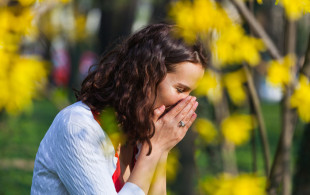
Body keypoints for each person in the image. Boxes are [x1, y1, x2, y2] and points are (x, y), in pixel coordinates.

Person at [31, 23, 207, 195]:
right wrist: (155, 149)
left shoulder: (140, 135)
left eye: (191, 92)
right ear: (147, 75)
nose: (187, 102)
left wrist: (161, 149)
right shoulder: (77, 126)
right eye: (180, 90)